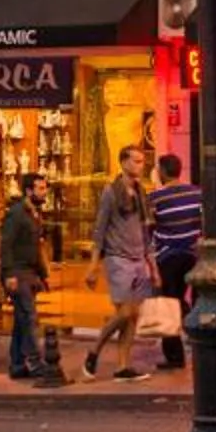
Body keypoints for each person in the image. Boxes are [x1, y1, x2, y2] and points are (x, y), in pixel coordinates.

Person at [86, 147, 155, 380]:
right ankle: (94, 349)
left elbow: (146, 233)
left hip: (138, 260)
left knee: (132, 317)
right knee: (125, 312)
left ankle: (122, 366)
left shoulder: (141, 192)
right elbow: (100, 230)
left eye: (142, 161)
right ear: (123, 162)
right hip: (118, 259)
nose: (140, 165)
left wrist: (152, 266)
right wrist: (93, 265)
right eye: (135, 161)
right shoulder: (111, 192)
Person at [148, 151, 205, 370]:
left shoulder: (155, 198)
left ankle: (174, 355)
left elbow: (149, 227)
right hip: (192, 255)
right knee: (182, 299)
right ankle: (193, 332)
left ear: (162, 172)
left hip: (167, 257)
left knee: (167, 304)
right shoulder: (196, 194)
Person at [0, 172, 47, 381]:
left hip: (29, 272)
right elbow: (6, 243)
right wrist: (8, 273)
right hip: (17, 272)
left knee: (21, 319)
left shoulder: (34, 213)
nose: (44, 192)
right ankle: (35, 361)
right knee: (28, 316)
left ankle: (17, 364)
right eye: (41, 188)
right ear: (29, 190)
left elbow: (36, 247)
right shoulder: (17, 214)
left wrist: (42, 274)